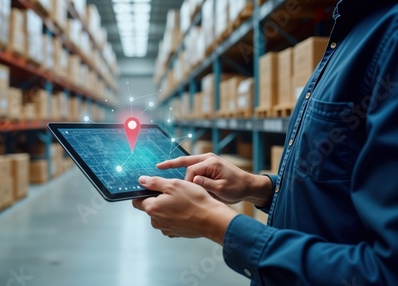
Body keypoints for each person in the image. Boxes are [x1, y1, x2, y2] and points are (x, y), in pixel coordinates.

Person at [133, 0, 398, 285]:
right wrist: (258, 188)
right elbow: (338, 195)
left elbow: (385, 273)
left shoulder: (390, 36)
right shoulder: (350, 32)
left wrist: (215, 223)